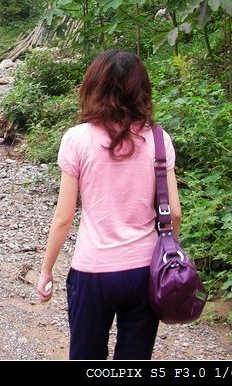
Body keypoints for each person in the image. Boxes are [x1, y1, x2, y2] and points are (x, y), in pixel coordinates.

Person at [36, 50, 181, 360]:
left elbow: (64, 218)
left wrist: (46, 269)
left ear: (93, 87)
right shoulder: (158, 139)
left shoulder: (77, 139)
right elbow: (175, 214)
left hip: (93, 271)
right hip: (145, 270)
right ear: (141, 89)